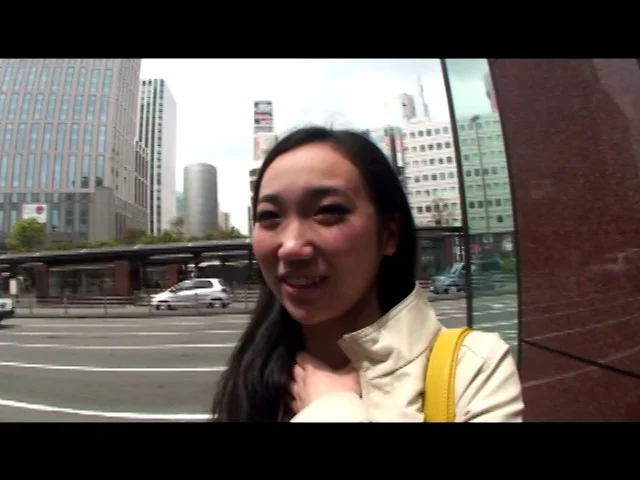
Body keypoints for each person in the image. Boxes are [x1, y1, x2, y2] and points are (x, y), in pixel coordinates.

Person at [211, 126, 524, 422]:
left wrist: (333, 410)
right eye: (269, 215)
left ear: (389, 234)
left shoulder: (473, 368)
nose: (291, 247)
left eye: (327, 211)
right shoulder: (252, 376)